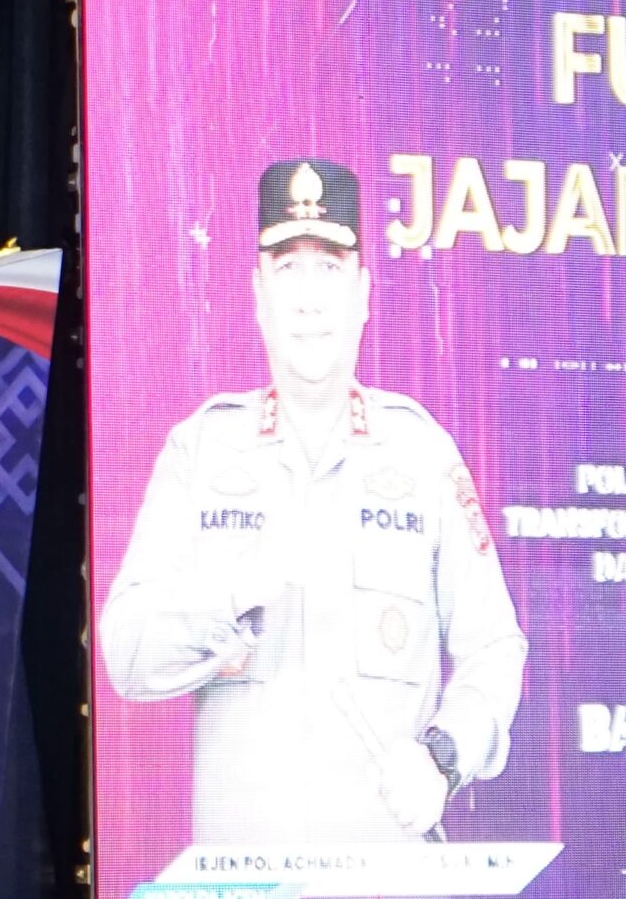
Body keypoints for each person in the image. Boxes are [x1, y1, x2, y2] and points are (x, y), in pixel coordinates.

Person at [98, 159, 526, 845]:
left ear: (363, 293)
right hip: (238, 895)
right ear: (257, 293)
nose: (308, 299)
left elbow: (495, 646)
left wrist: (444, 757)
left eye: (329, 268)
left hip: (386, 888)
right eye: (288, 268)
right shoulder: (200, 450)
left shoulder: (422, 452)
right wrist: (236, 590)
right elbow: (125, 651)